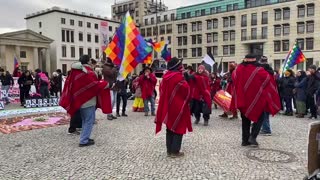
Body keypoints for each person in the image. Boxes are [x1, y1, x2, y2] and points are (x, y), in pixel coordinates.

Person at [60, 55, 112, 147]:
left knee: (84, 120)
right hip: (88, 100)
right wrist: (105, 84)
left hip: (79, 100)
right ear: (88, 62)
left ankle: (85, 137)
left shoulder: (74, 72)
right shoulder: (89, 72)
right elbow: (93, 86)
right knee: (89, 120)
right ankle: (84, 140)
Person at [230, 54, 281, 147]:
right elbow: (267, 79)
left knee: (245, 120)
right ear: (255, 61)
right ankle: (253, 137)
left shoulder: (238, 69)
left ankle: (244, 141)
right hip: (257, 99)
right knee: (260, 118)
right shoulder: (260, 70)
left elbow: (234, 77)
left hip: (243, 99)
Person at [155, 57, 192, 158]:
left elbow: (162, 89)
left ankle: (169, 150)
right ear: (177, 66)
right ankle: (175, 151)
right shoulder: (178, 77)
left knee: (169, 128)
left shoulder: (166, 76)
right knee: (178, 128)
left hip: (168, 106)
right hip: (178, 106)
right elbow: (186, 90)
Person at [258, 56, 275, 136]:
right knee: (265, 113)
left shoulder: (262, 73)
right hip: (269, 95)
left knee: (264, 113)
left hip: (263, 95)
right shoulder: (271, 72)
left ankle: (266, 129)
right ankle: (264, 128)